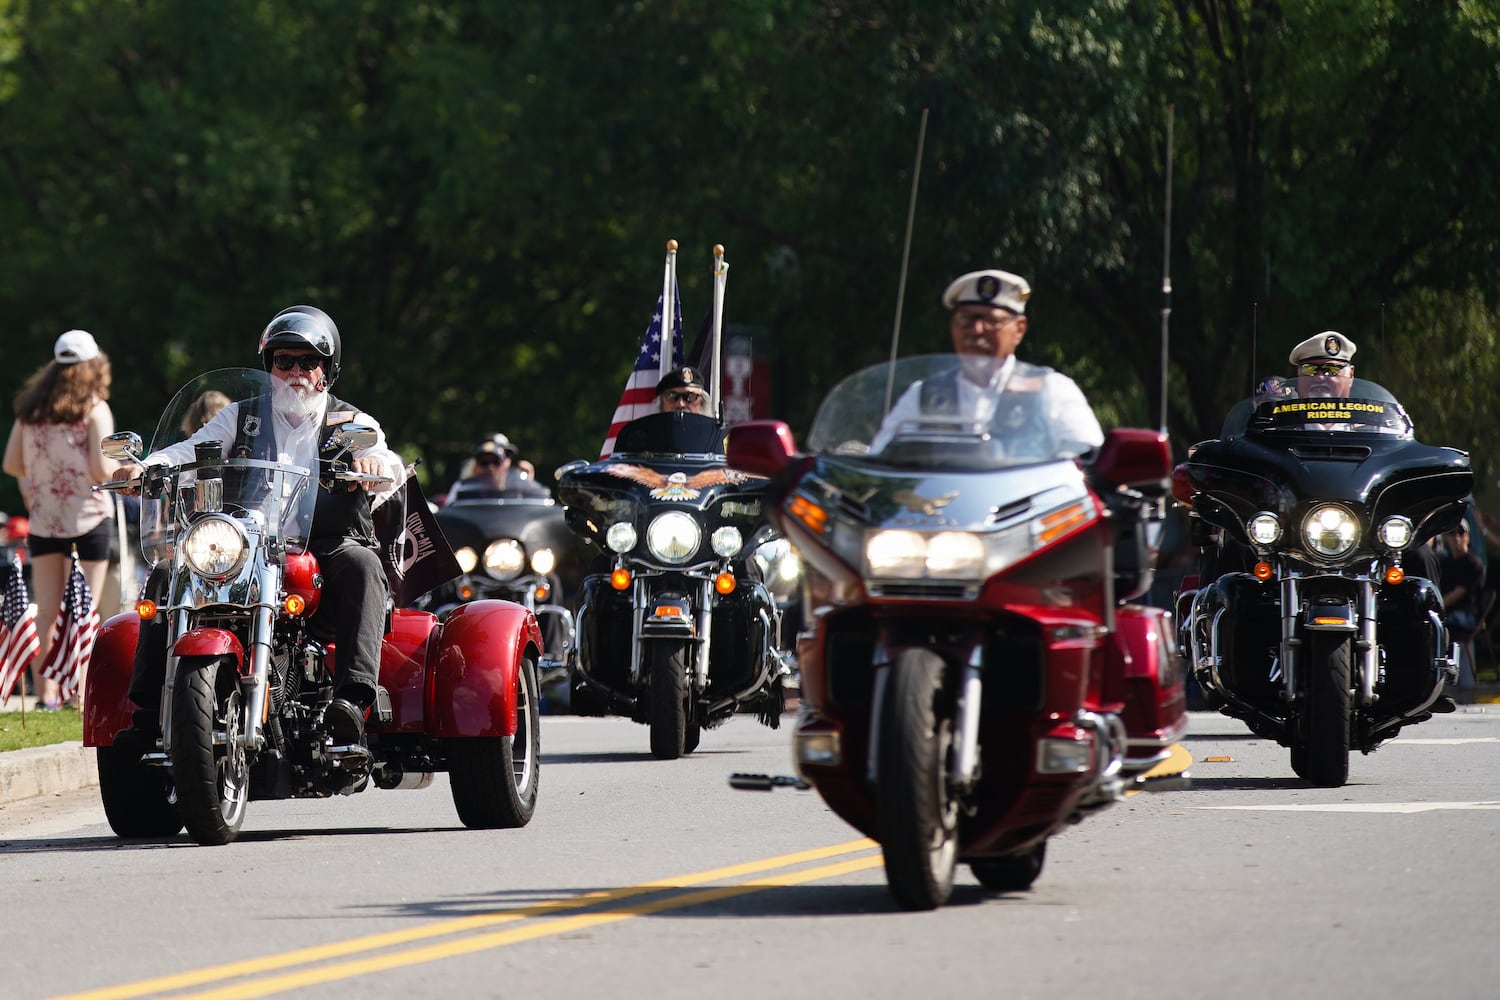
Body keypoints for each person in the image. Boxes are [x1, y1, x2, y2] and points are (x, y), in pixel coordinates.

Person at [112, 305, 405, 750]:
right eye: (283, 361)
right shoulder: (240, 416)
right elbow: (187, 451)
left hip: (324, 547)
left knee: (362, 562)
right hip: (243, 546)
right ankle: (151, 712)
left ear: (327, 370)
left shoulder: (351, 423)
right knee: (169, 571)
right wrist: (147, 469)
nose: (296, 372)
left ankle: (352, 698)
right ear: (269, 367)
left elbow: (390, 462)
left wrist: (371, 465)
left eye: (309, 361)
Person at [3, 330, 119, 710]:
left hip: (44, 522)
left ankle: (48, 692)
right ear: (93, 365)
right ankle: (79, 691)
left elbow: (12, 464)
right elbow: (102, 466)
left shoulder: (31, 411)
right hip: (88, 518)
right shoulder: (94, 408)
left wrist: (43, 477)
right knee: (84, 609)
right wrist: (128, 467)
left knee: (48, 610)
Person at [869, 269, 1104, 455]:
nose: (976, 331)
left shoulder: (1051, 389)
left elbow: (1087, 462)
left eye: (992, 321)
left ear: (1019, 330)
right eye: (965, 319)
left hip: (1028, 514)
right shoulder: (923, 395)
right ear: (952, 326)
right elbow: (879, 461)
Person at [1439, 521, 1486, 692]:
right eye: (1452, 534)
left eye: (1461, 533)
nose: (1457, 538)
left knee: (1448, 625)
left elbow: (1459, 593)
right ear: (1446, 538)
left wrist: (1438, 606)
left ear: (1468, 537)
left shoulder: (1474, 563)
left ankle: (1464, 685)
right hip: (1447, 613)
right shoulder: (1444, 563)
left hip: (1467, 615)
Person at [447, 433, 549, 501]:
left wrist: (527, 484)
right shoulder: (462, 488)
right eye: (484, 462)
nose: (490, 467)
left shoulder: (519, 484)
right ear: (476, 465)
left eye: (496, 461)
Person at [1289, 331, 1357, 400]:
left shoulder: (1365, 409)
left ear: (1350, 375)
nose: (1319, 378)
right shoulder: (1282, 409)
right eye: (1309, 370)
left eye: (1331, 370)